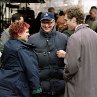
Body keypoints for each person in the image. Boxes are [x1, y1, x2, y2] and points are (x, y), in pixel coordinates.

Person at [57, 6, 97, 97]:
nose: (65, 23)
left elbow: (72, 66)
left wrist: (65, 75)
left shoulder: (74, 37)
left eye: (67, 20)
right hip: (93, 87)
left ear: (74, 19)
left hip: (77, 87)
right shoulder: (95, 34)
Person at [28, 12, 68, 97]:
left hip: (60, 87)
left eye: (49, 22)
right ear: (40, 23)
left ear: (54, 22)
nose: (46, 25)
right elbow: (29, 63)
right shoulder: (32, 39)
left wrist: (66, 55)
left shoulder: (64, 38)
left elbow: (73, 59)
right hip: (41, 88)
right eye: (44, 22)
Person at [0, 22, 42, 97]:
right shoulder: (21, 49)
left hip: (6, 83)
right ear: (19, 33)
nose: (28, 34)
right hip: (18, 86)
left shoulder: (9, 44)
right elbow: (31, 69)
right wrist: (36, 88)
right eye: (27, 32)